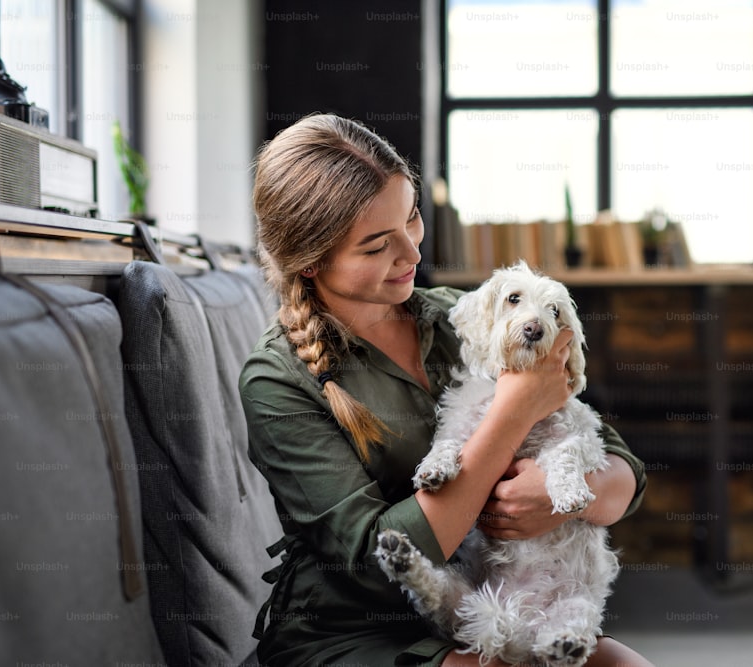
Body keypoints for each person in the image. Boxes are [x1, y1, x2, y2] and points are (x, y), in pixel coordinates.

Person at [240, 113, 652, 667]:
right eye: (375, 246)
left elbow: (622, 467)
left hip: (504, 599)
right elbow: (376, 562)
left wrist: (558, 497)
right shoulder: (277, 381)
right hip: (358, 628)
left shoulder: (466, 318)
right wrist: (514, 410)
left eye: (411, 218)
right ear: (312, 261)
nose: (411, 254)